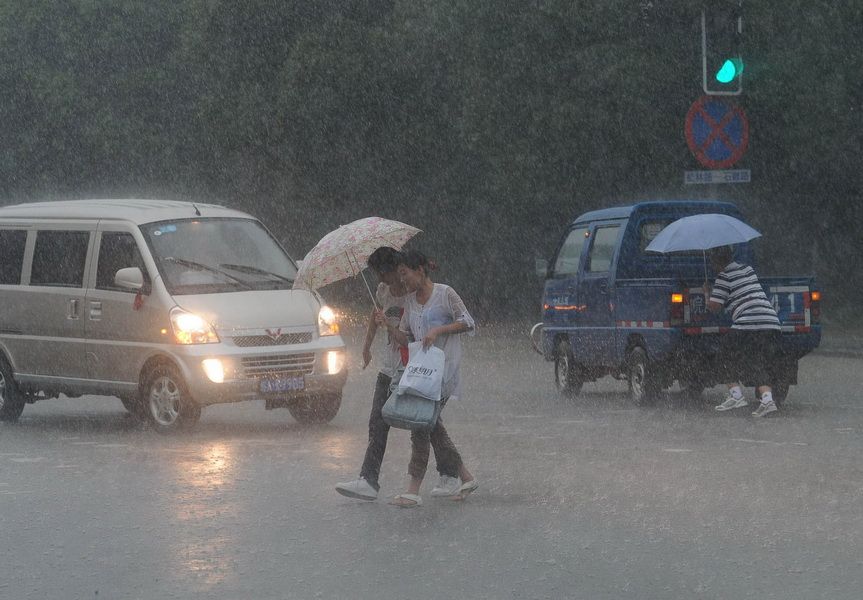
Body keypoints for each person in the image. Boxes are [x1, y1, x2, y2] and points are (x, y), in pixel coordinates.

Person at [335, 247, 464, 501]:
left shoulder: (414, 294)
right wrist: (366, 345)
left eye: (384, 273)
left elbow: (415, 335)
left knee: (428, 424)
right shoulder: (383, 291)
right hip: (389, 366)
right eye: (376, 275)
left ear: (397, 270)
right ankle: (368, 480)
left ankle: (453, 473)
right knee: (378, 422)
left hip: (412, 368)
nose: (380, 280)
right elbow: (376, 316)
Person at [377, 250, 478, 507]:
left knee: (421, 425)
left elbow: (468, 322)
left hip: (443, 371)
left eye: (405, 274)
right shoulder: (410, 302)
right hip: (421, 372)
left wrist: (438, 330)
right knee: (429, 425)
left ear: (420, 270)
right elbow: (404, 338)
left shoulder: (445, 294)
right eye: (400, 275)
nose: (403, 281)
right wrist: (386, 326)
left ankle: (413, 489)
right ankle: (465, 476)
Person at [703, 245, 781, 417]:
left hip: (748, 322)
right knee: (757, 361)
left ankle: (736, 396)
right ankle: (767, 400)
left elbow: (715, 307)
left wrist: (707, 293)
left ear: (716, 261)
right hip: (770, 321)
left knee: (722, 355)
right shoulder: (748, 269)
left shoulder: (724, 276)